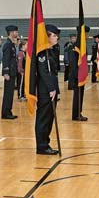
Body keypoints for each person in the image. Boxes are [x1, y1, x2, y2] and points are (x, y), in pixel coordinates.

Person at [35, 24, 61, 155]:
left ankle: (46, 142)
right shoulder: (42, 52)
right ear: (48, 36)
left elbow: (54, 72)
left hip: (52, 89)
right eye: (54, 35)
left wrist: (55, 88)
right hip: (45, 90)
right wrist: (51, 88)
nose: (57, 38)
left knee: (50, 117)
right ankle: (41, 145)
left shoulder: (51, 50)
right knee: (44, 118)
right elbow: (44, 72)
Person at [68, 25, 90, 121]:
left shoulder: (82, 45)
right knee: (78, 95)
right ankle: (76, 115)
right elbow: (73, 63)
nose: (87, 35)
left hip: (80, 74)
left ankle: (78, 113)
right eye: (86, 33)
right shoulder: (77, 46)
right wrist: (77, 76)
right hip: (77, 75)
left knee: (80, 95)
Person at [1, 25, 19, 119]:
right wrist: (6, 72)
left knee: (10, 93)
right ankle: (5, 113)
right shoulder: (8, 45)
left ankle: (8, 111)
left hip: (12, 72)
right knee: (8, 93)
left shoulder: (11, 44)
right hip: (9, 73)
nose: (17, 33)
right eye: (16, 32)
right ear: (11, 33)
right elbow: (6, 59)